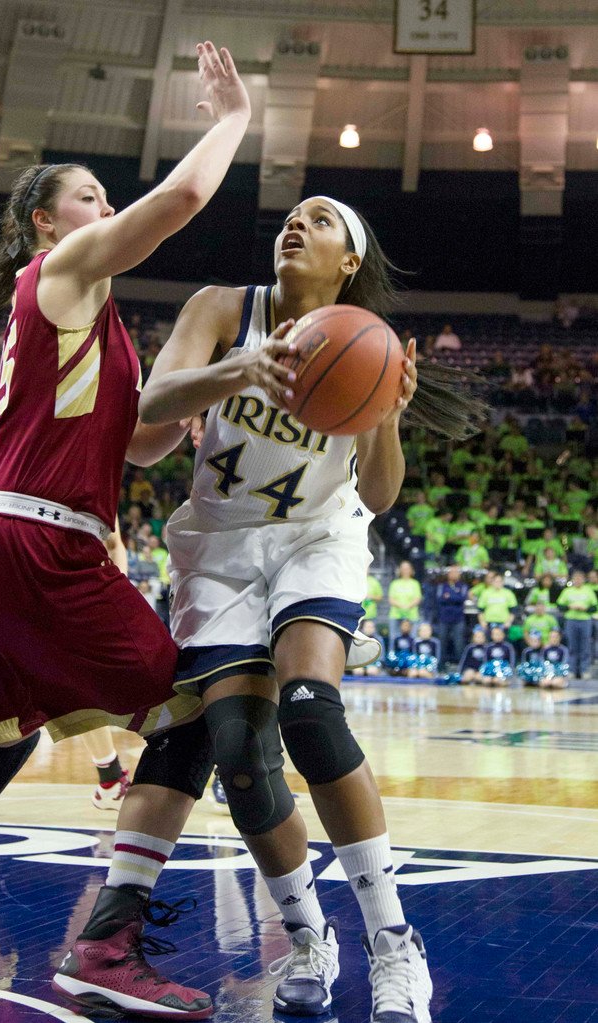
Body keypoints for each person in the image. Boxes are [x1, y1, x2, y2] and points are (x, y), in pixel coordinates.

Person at [0, 41, 253, 1021]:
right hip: (34, 542)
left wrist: (210, 390)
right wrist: (229, 124)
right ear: (46, 221)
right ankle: (104, 945)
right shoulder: (63, 268)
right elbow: (174, 205)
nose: (106, 207)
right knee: (189, 717)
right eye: (91, 195)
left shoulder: (90, 325)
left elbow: (135, 450)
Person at [134, 194, 484, 1021]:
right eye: (293, 215)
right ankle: (305, 936)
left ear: (349, 263)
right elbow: (152, 406)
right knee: (240, 756)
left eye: (322, 220)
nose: (298, 223)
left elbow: (378, 492)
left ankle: (394, 945)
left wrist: (388, 418)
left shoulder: (366, 344)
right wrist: (236, 370)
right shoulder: (223, 308)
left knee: (309, 711)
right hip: (218, 549)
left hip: (314, 540)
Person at [556, 569, 596, 680]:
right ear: (572, 579)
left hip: (585, 620)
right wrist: (570, 607)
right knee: (572, 646)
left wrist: (586, 608)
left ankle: (584, 670)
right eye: (575, 578)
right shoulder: (567, 592)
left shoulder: (588, 591)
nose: (578, 580)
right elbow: (560, 606)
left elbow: (594, 607)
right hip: (571, 620)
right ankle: (571, 670)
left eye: (580, 578)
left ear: (583, 579)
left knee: (585, 646)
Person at [435, 566, 468, 666]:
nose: (453, 575)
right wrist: (454, 597)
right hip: (444, 619)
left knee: (459, 643)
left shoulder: (463, 586)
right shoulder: (442, 586)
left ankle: (460, 665)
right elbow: (440, 599)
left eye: (456, 572)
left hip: (458, 619)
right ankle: (441, 665)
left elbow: (462, 598)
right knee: (442, 642)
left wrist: (449, 597)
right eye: (451, 573)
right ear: (448, 575)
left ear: (459, 575)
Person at [388, 561, 423, 642]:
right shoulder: (394, 583)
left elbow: (417, 599)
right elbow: (391, 599)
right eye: (403, 568)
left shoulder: (415, 584)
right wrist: (401, 606)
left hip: (412, 616)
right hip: (396, 615)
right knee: (394, 640)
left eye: (407, 568)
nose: (405, 570)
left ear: (411, 570)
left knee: (412, 640)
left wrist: (407, 606)